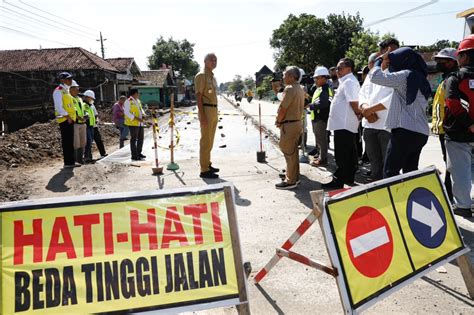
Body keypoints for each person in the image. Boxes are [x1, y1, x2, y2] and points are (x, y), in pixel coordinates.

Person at [369, 47, 430, 178]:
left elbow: (375, 77)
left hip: (405, 132)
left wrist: (379, 61)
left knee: (390, 172)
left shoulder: (406, 75)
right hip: (421, 133)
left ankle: (391, 198)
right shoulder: (421, 79)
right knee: (410, 172)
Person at [444, 35, 474, 218]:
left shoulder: (455, 78)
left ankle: (463, 205)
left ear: (465, 56)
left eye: (459, 55)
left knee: (460, 171)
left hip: (458, 134)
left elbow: (452, 103)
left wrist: (469, 124)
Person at [324, 58, 361, 188]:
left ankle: (338, 181)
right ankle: (348, 177)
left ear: (348, 68)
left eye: (340, 68)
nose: (337, 71)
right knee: (348, 153)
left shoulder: (349, 82)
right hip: (344, 124)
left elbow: (354, 102)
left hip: (344, 124)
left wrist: (358, 114)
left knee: (342, 154)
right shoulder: (346, 81)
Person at [359, 54, 393, 181]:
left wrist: (370, 110)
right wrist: (365, 109)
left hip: (385, 125)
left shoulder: (392, 74)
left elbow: (392, 98)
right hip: (369, 124)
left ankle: (386, 185)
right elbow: (362, 94)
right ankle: (376, 182)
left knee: (387, 161)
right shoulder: (369, 76)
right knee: (374, 159)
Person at [432, 48, 458, 202]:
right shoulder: (446, 78)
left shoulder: (451, 80)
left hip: (448, 129)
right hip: (444, 129)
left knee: (451, 164)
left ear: (451, 62)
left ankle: (450, 195)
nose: (438, 63)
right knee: (449, 163)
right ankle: (449, 194)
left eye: (442, 60)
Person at [275, 66, 305, 189]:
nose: (283, 77)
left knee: (288, 152)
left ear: (292, 77)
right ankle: (294, 177)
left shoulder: (290, 88)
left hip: (289, 124)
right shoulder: (300, 88)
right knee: (293, 153)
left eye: (285, 75)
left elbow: (283, 108)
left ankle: (290, 180)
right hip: (297, 123)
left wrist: (278, 120)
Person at [195, 53, 220, 179]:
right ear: (205, 61)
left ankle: (207, 164)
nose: (214, 62)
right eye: (211, 60)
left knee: (210, 141)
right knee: (205, 141)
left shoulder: (212, 77)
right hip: (206, 110)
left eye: (215, 60)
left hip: (213, 111)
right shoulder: (201, 76)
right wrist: (202, 115)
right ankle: (204, 170)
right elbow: (198, 96)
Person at [53, 72, 80, 168]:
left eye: (71, 79)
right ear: (62, 80)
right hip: (65, 119)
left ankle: (71, 161)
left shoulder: (66, 90)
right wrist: (67, 116)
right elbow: (58, 107)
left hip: (70, 119)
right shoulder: (58, 91)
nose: (71, 81)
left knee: (70, 141)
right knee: (67, 141)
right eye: (68, 79)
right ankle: (68, 162)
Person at [308, 66, 334, 165]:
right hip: (317, 117)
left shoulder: (324, 90)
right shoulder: (320, 89)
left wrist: (311, 106)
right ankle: (320, 157)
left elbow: (323, 104)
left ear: (324, 78)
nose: (315, 80)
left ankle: (323, 160)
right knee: (319, 139)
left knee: (322, 140)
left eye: (317, 78)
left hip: (321, 118)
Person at [83, 90, 107, 162]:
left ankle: (103, 153)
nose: (92, 100)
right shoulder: (83, 105)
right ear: (87, 97)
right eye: (91, 98)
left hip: (94, 125)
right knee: (88, 142)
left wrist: (96, 120)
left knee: (98, 140)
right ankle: (88, 157)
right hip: (88, 125)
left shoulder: (91, 105)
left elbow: (95, 114)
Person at [124, 88, 146, 161]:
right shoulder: (128, 101)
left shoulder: (138, 101)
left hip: (140, 123)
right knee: (134, 139)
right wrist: (136, 118)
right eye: (138, 93)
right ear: (134, 93)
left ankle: (139, 153)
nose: (139, 94)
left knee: (141, 138)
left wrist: (143, 114)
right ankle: (134, 155)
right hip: (133, 123)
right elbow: (127, 112)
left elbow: (141, 109)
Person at [70, 80, 87, 164]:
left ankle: (80, 160)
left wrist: (85, 115)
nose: (78, 89)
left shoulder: (79, 99)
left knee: (83, 142)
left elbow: (83, 109)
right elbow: (72, 111)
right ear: (71, 89)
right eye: (76, 88)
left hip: (82, 123)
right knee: (76, 143)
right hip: (75, 123)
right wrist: (79, 118)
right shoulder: (70, 99)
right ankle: (75, 160)